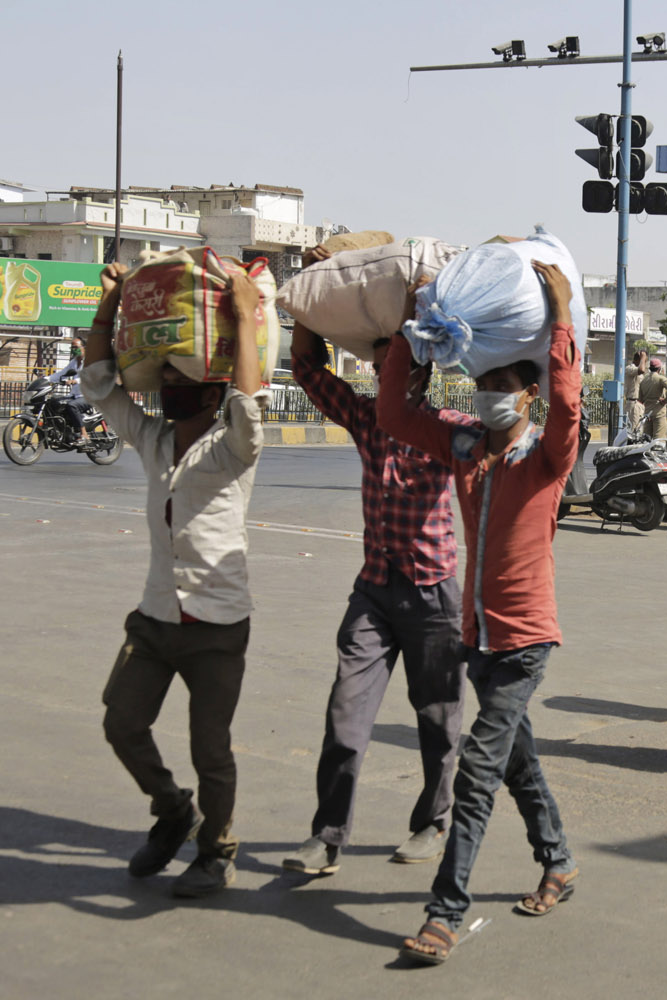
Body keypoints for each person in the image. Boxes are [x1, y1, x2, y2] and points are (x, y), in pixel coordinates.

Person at [384, 261, 580, 965]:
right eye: (486, 382)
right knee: (519, 762)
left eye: (506, 385)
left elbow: (568, 409)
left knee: (478, 771)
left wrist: (559, 319)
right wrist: (415, 335)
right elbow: (395, 415)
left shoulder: (546, 459)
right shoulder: (467, 450)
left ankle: (445, 912)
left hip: (526, 640)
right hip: (479, 639)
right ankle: (558, 861)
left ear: (529, 394)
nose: (492, 393)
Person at [82, 261, 267, 897]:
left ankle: (217, 850)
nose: (168, 385)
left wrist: (242, 314)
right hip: (157, 618)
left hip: (217, 625)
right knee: (120, 722)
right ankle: (172, 811)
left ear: (209, 392)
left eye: (180, 379)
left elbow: (248, 407)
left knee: (210, 748)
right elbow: (100, 384)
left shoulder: (231, 450)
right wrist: (110, 308)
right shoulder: (153, 441)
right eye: (164, 379)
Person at [280, 253, 467, 876]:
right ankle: (327, 836)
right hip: (375, 592)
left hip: (434, 593)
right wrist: (304, 296)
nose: (383, 370)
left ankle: (433, 822)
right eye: (381, 361)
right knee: (344, 717)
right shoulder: (364, 418)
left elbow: (510, 430)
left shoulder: (446, 427)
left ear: (418, 369)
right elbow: (306, 366)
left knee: (439, 722)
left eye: (396, 360)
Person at [637, 358, 667, 441]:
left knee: (646, 440)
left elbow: (640, 399)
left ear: (650, 368)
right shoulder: (661, 379)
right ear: (659, 369)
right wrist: (665, 400)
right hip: (659, 413)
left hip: (647, 414)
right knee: (659, 440)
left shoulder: (644, 380)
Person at [624, 350, 647, 434]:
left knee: (639, 431)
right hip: (633, 404)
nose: (645, 363)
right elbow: (641, 370)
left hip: (639, 404)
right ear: (638, 360)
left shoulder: (639, 371)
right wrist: (643, 357)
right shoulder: (630, 368)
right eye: (644, 361)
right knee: (634, 432)